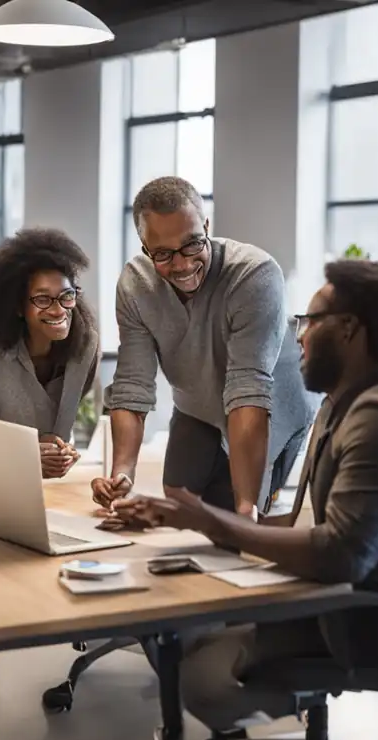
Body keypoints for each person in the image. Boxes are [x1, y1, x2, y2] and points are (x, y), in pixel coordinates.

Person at [107, 259, 378, 736]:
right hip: (324, 600)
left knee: (191, 661)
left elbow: (340, 555)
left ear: (350, 330)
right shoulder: (344, 407)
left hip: (354, 624)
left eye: (309, 322)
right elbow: (304, 526)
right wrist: (180, 519)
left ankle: (246, 724)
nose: (299, 338)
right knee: (171, 624)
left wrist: (208, 520)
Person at [92, 176, 317, 522]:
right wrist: (123, 473)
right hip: (197, 405)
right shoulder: (136, 284)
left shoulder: (254, 274)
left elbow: (248, 390)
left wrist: (245, 508)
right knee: (180, 501)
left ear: (207, 227)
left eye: (193, 245)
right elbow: (132, 385)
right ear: (144, 247)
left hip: (268, 404)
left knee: (235, 517)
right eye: (163, 254)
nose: (182, 265)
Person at [0, 228, 101, 479]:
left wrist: (63, 451)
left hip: (55, 489)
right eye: (42, 299)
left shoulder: (86, 347)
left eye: (66, 296)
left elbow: (59, 430)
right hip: (2, 484)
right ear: (18, 306)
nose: (58, 310)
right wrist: (27, 454)